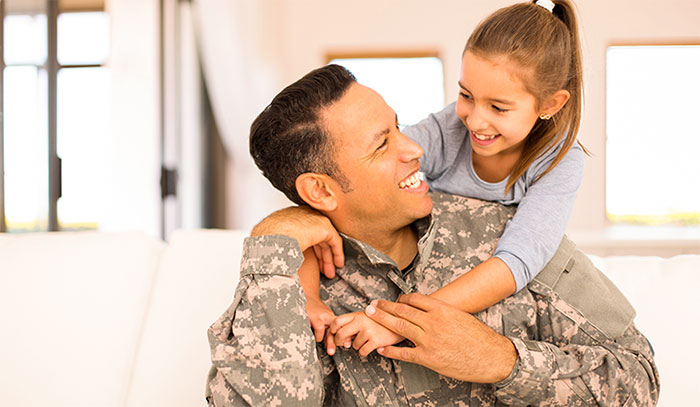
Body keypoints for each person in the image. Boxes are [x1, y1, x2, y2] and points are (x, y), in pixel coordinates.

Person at [205, 64, 659, 406]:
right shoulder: (292, 289)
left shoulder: (510, 235)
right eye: (382, 143)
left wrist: (501, 361)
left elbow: (638, 381)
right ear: (319, 190)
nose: (415, 148)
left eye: (398, 127)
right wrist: (272, 244)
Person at [304, 0, 590, 354]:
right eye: (466, 95)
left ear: (550, 104)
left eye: (498, 107)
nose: (474, 120)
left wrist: (397, 323)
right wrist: (308, 297)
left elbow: (516, 262)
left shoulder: (560, 161)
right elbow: (356, 185)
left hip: (469, 312)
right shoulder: (450, 128)